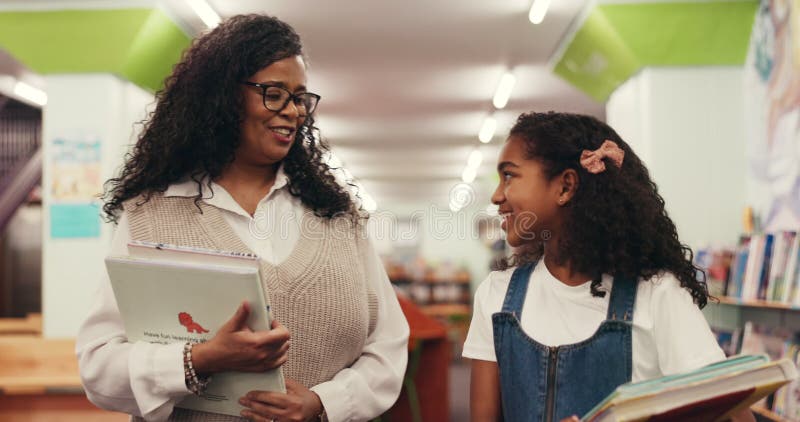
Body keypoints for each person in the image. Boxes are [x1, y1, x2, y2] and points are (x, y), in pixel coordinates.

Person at [76, 14, 409, 422]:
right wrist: (197, 360)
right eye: (273, 93)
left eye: (300, 98)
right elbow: (98, 365)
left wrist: (324, 403)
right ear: (222, 98)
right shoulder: (152, 216)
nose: (293, 112)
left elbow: (388, 346)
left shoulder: (337, 217)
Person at [463, 112, 754, 422]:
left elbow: (734, 416)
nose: (496, 196)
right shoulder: (496, 296)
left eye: (509, 175)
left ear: (565, 187)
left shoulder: (657, 295)